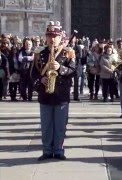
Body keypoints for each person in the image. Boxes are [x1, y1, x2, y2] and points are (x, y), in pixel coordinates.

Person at [31, 21, 76, 161]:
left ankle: (58, 150)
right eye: (49, 35)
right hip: (45, 94)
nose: (52, 38)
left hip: (61, 94)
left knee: (60, 126)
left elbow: (74, 71)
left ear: (60, 37)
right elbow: (33, 73)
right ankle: (46, 150)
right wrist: (40, 81)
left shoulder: (68, 52)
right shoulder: (40, 53)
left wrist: (60, 68)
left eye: (54, 36)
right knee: (46, 126)